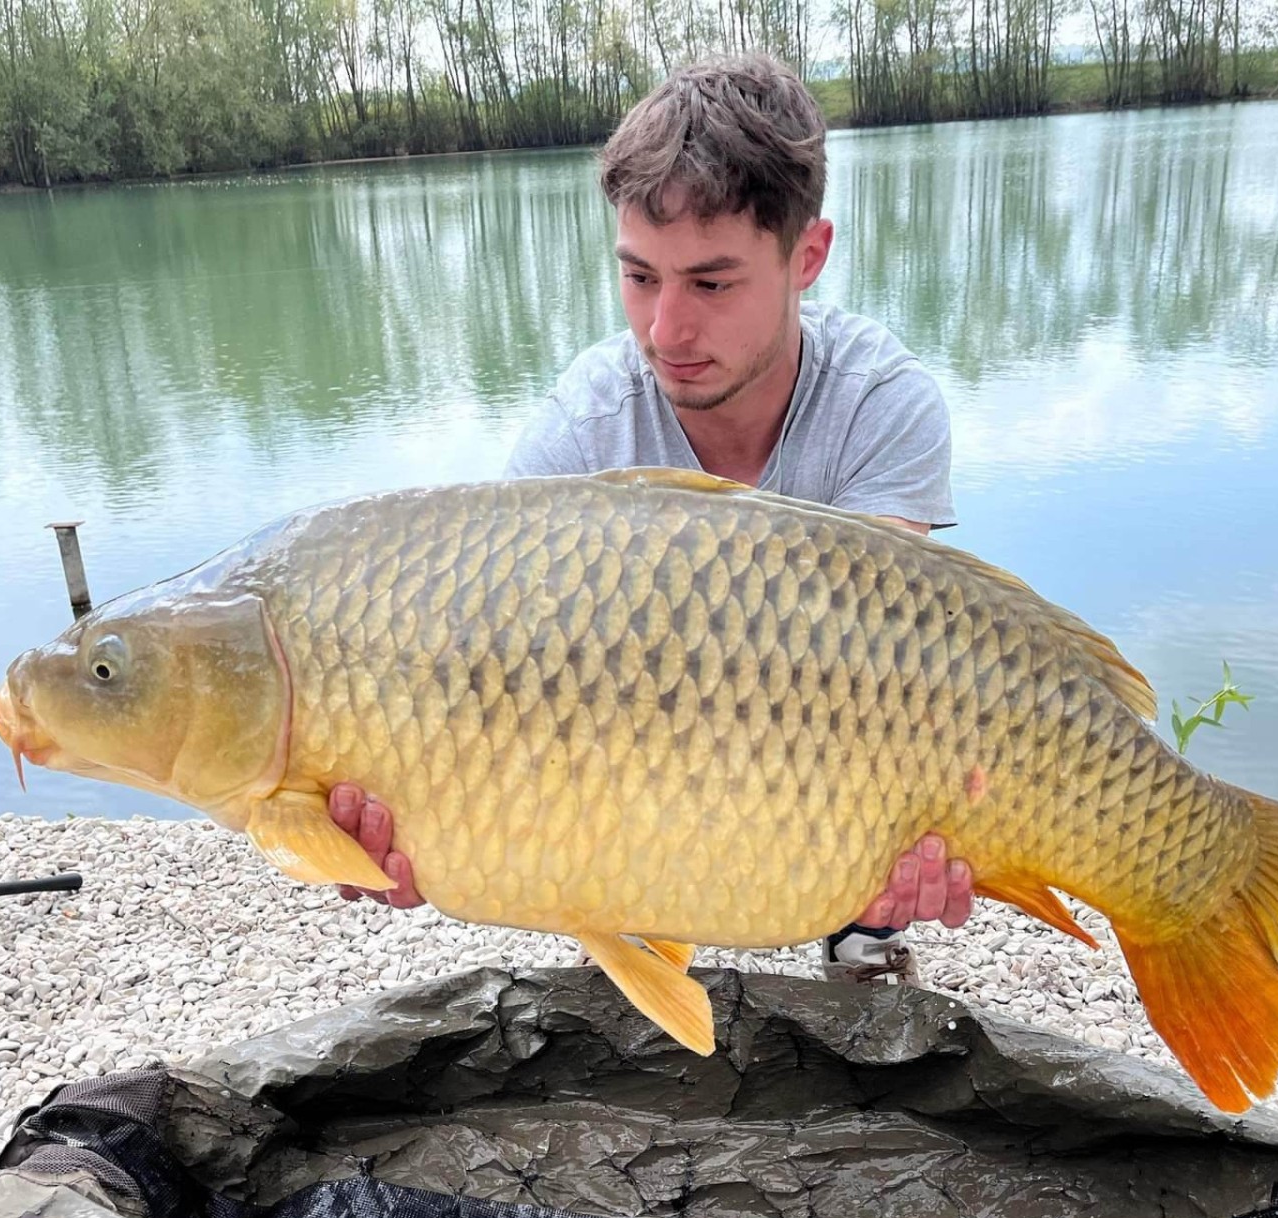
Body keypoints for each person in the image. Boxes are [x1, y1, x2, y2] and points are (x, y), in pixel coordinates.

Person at [327, 52, 975, 983]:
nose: (665, 331)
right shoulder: (580, 435)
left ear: (808, 257)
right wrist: (419, 810)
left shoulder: (884, 406)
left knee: (887, 791)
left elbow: (884, 677)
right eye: (639, 278)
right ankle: (642, 932)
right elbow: (505, 679)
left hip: (829, 722)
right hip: (639, 745)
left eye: (711, 285)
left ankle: (858, 932)